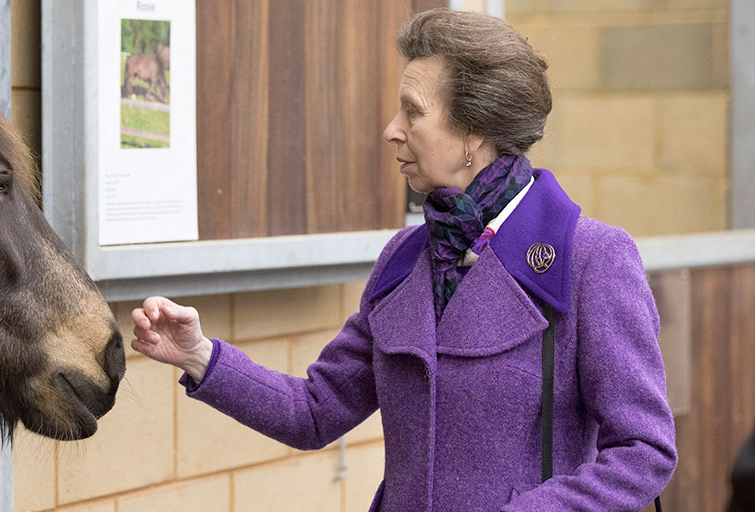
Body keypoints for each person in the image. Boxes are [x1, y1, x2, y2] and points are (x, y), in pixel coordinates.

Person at [132, 8, 677, 511]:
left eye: (412, 111)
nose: (391, 128)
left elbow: (643, 450)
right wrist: (200, 356)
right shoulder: (405, 258)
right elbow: (315, 410)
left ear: (475, 130)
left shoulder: (591, 259)